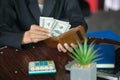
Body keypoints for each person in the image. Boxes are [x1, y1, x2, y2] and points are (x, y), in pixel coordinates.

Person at [0, 0, 88, 53]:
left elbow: (79, 21)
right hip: (21, 53)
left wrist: (71, 38)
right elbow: (2, 31)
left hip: (58, 51)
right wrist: (23, 37)